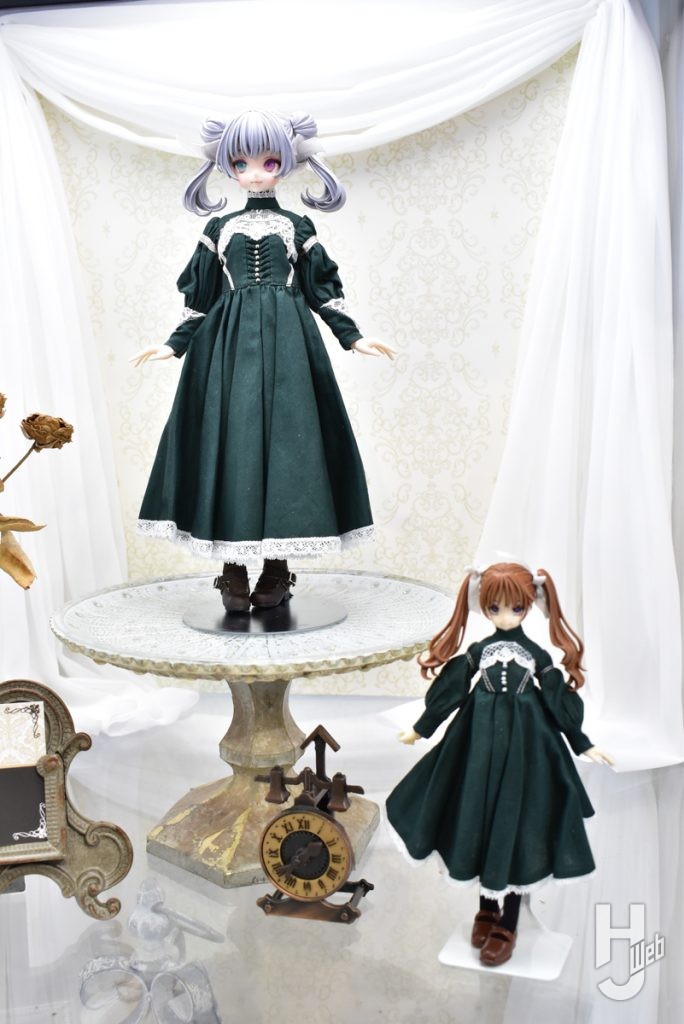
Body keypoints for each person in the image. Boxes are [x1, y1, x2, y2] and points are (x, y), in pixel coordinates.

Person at [132, 110, 393, 611]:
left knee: (289, 447)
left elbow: (320, 290)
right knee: (230, 443)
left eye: (269, 162)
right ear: (228, 166)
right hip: (226, 350)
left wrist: (353, 336)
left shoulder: (297, 225)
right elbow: (200, 299)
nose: (255, 172)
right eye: (242, 163)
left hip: (290, 349)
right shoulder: (219, 227)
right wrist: (173, 344)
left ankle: (277, 568)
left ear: (287, 164)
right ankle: (231, 568)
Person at [386, 562, 613, 967]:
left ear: (530, 605)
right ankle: (486, 910)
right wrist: (421, 728)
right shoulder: (480, 652)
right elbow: (453, 689)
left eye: (515, 608)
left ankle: (508, 922)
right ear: (483, 606)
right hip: (476, 745)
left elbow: (556, 698)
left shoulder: (536, 655)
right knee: (478, 816)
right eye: (495, 608)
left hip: (526, 748)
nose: (506, 616)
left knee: (516, 821)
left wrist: (583, 742)